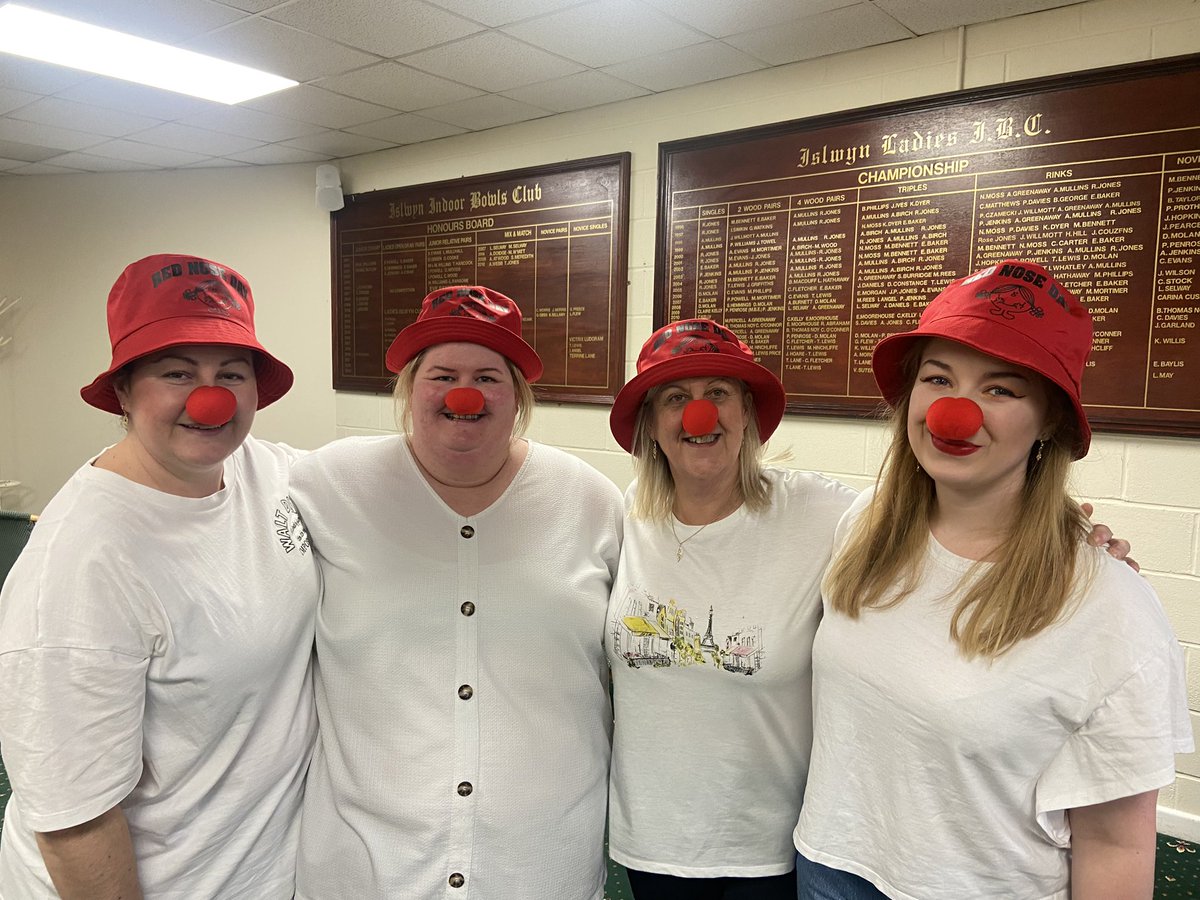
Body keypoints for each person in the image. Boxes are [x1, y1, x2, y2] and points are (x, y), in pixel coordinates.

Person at [604, 316, 1137, 900]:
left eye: (719, 394)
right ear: (650, 425)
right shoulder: (620, 518)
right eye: (676, 397)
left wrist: (1068, 534)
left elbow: (959, 504)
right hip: (651, 837)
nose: (699, 415)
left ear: (749, 415)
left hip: (771, 845)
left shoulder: (827, 512)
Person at [794, 260, 1193, 899]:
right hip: (830, 867)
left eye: (1001, 390)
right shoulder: (862, 529)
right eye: (938, 378)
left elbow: (1116, 844)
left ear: (1051, 421)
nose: (955, 411)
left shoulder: (1111, 611)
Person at [289, 285, 623, 900]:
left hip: (540, 869)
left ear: (518, 396)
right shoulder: (325, 485)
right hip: (367, 871)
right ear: (409, 390)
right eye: (441, 374)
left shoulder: (592, 501)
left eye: (488, 378)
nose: (463, 394)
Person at [0, 254, 318, 899]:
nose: (210, 397)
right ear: (123, 390)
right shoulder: (83, 566)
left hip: (257, 868)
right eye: (178, 373)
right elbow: (73, 821)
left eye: (231, 373)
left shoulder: (264, 470)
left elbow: (384, 476)